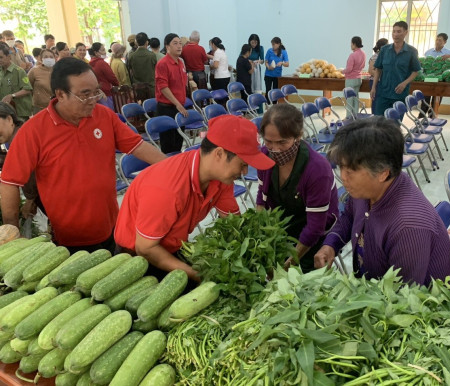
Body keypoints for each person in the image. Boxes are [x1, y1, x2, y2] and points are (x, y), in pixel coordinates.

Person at [0, 57, 166, 253]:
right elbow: (10, 182)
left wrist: (178, 168)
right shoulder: (33, 131)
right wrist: (12, 230)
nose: (94, 99)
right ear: (60, 94)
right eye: (85, 94)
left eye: (96, 91)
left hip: (113, 225)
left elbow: (139, 147)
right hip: (71, 239)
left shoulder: (104, 116)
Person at [114, 115, 275, 282]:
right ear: (219, 154)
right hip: (136, 257)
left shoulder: (221, 179)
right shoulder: (166, 189)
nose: (245, 172)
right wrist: (199, 276)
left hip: (171, 246)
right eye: (242, 164)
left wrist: (261, 259)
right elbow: (145, 248)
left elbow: (234, 222)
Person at [314, 117, 450, 286]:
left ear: (382, 173)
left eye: (350, 171)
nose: (343, 178)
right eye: (341, 167)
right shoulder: (367, 190)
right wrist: (331, 244)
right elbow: (350, 216)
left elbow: (403, 300)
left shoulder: (408, 227)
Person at [256, 104, 339, 272]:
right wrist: (260, 233)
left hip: (314, 237)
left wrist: (290, 262)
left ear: (298, 136)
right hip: (283, 230)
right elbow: (261, 197)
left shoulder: (317, 170)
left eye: (282, 142)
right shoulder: (264, 156)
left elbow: (315, 227)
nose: (275, 149)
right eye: (268, 141)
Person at [370, 21, 421, 117]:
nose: (395, 34)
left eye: (399, 31)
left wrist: (404, 83)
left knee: (395, 124)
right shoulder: (385, 50)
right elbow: (378, 70)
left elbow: (415, 71)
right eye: (394, 31)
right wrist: (373, 87)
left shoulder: (411, 51)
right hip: (383, 93)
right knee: (378, 121)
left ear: (406, 32)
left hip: (399, 94)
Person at [0, 102, 40, 220]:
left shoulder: (19, 139)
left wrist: (30, 200)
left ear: (9, 119)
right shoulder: (23, 131)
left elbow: (31, 174)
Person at [154, 33, 188, 154]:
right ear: (167, 46)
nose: (179, 46)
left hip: (179, 107)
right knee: (168, 145)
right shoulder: (162, 64)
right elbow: (162, 87)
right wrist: (177, 103)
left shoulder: (181, 63)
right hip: (167, 108)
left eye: (180, 43)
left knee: (178, 142)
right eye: (175, 43)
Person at [422, 33, 450, 119]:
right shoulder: (429, 52)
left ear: (445, 42)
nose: (437, 42)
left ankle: (432, 118)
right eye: (437, 39)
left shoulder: (448, 52)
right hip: (428, 80)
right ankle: (421, 118)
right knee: (425, 100)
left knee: (436, 102)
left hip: (440, 81)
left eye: (440, 40)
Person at [0, 44, 33, 121]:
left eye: (1, 57)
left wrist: (12, 95)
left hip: (19, 111)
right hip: (5, 112)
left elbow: (28, 89)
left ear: (9, 57)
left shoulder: (19, 71)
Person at [88, 42, 119, 110]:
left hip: (97, 92)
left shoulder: (90, 64)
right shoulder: (102, 63)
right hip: (106, 93)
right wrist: (117, 84)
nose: (105, 52)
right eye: (102, 50)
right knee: (109, 112)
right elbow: (112, 77)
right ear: (96, 53)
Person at [341, 36, 366, 119]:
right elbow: (363, 66)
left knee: (349, 99)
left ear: (354, 44)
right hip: (359, 79)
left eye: (351, 44)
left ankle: (348, 117)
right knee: (355, 98)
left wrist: (341, 71)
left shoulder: (352, 55)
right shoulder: (363, 54)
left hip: (351, 79)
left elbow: (349, 69)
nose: (350, 45)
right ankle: (355, 116)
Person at [27, 49, 54, 114]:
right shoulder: (34, 71)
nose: (49, 59)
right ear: (41, 59)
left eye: (51, 57)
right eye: (46, 57)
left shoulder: (57, 70)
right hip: (40, 108)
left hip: (55, 106)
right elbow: (28, 88)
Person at [264, 37, 289, 102]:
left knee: (275, 92)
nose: (272, 46)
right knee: (268, 91)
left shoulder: (283, 52)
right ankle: (268, 106)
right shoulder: (269, 51)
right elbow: (266, 61)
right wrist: (268, 67)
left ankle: (274, 106)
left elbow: (287, 64)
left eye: (274, 44)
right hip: (268, 74)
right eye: (272, 44)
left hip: (277, 75)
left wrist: (282, 63)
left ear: (278, 44)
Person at [368, 38, 388, 114]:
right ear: (382, 46)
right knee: (376, 103)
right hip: (376, 82)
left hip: (383, 82)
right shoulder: (375, 56)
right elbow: (370, 70)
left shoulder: (385, 56)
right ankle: (375, 120)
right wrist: (380, 76)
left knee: (382, 103)